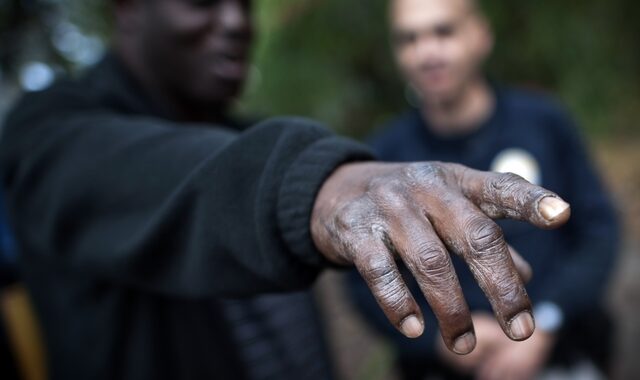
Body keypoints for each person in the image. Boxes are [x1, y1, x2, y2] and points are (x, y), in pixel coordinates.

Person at [0, 0, 571, 379]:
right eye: (203, 0)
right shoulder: (49, 133)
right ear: (128, 9)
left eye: (243, 4)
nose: (234, 21)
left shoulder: (244, 129)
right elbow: (163, 175)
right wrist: (322, 188)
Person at [346, 0, 619, 379]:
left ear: (480, 35)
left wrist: (547, 320)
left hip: (559, 355)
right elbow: (363, 280)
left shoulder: (543, 123)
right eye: (409, 39)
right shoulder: (385, 157)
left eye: (443, 32)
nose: (426, 52)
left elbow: (599, 232)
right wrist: (441, 342)